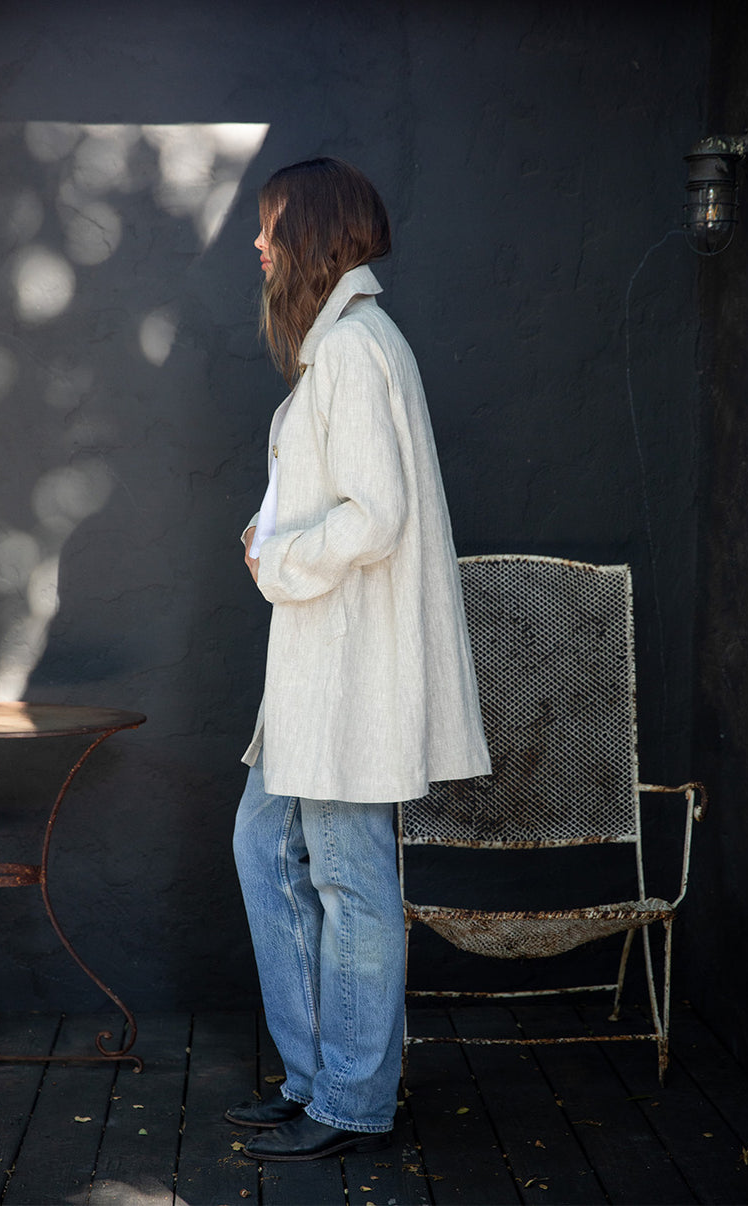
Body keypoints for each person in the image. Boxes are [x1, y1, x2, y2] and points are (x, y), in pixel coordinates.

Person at [226, 157, 491, 1163]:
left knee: (349, 878)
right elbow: (325, 494)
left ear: (316, 229)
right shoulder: (337, 345)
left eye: (269, 224)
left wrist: (277, 556)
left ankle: (348, 1098)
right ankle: (318, 1079)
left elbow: (372, 517)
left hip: (345, 677)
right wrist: (267, 533)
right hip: (316, 674)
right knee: (267, 851)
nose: (255, 244)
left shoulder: (348, 349)